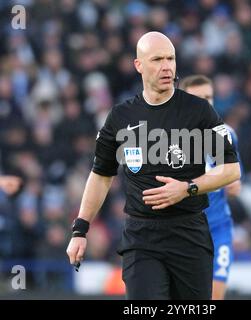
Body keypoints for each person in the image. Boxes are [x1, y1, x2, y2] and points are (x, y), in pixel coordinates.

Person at [66, 31, 240, 300]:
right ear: (139, 65)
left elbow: (230, 169)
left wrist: (188, 188)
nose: (167, 66)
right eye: (157, 59)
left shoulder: (199, 111)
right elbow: (101, 176)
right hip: (142, 236)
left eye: (170, 58)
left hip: (190, 233)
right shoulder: (121, 117)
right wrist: (80, 229)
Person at [181, 75, 242, 300]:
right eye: (198, 98)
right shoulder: (169, 139)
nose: (206, 103)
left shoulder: (227, 135)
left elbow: (235, 184)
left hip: (218, 229)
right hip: (183, 230)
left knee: (214, 298)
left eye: (209, 97)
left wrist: (232, 182)